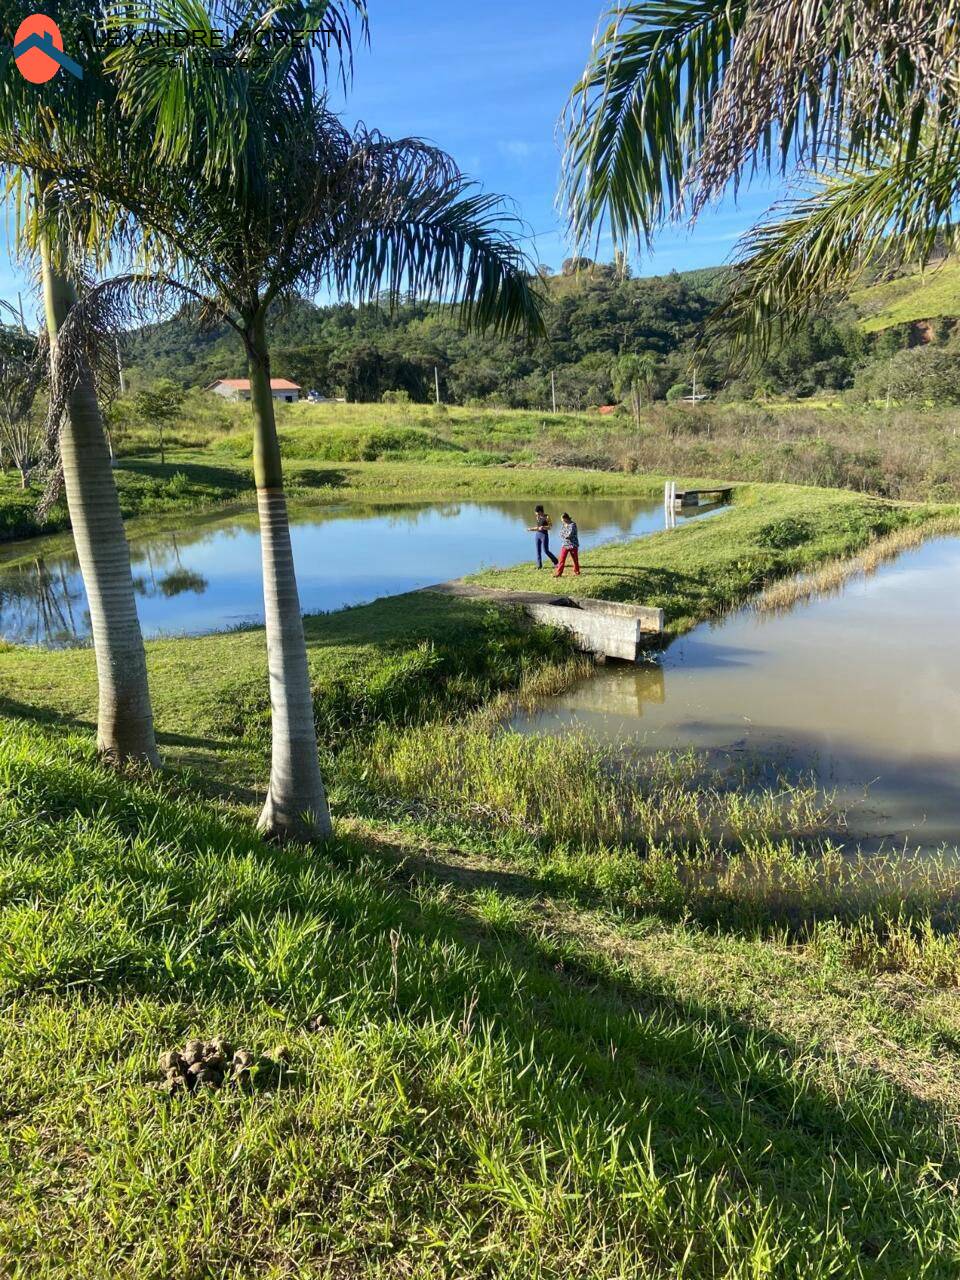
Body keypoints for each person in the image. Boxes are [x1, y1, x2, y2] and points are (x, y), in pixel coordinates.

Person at [528, 504, 558, 569]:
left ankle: (556, 561)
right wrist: (531, 529)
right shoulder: (537, 517)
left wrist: (544, 527)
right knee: (538, 550)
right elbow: (538, 527)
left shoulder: (547, 517)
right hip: (537, 535)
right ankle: (539, 565)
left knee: (546, 550)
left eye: (537, 512)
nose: (536, 514)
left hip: (544, 535)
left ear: (540, 511)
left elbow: (550, 527)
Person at [554, 512, 580, 577]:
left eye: (562, 519)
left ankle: (577, 571)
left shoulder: (573, 525)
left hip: (573, 545)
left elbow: (569, 535)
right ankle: (559, 573)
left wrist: (564, 535)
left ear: (566, 518)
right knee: (561, 559)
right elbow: (560, 533)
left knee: (575, 560)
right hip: (565, 545)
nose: (562, 521)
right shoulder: (564, 524)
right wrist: (564, 535)